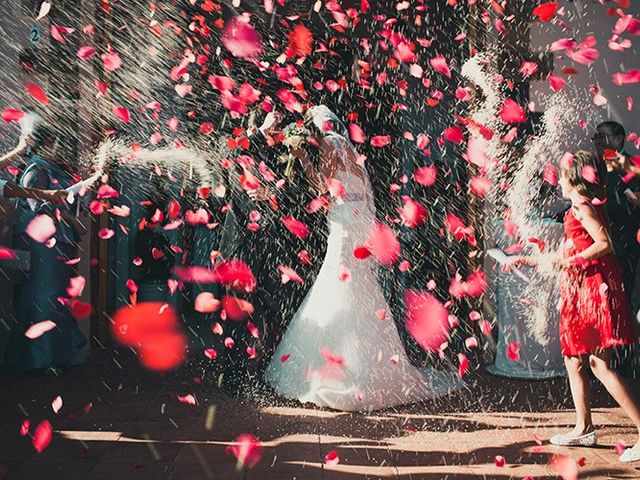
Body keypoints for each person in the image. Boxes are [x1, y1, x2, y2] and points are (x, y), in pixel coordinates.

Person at [263, 105, 462, 412]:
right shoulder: (346, 145)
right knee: (356, 282)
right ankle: (367, 364)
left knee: (338, 279)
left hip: (345, 219)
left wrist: (301, 156)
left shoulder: (330, 142)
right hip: (360, 218)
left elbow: (322, 186)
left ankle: (346, 370)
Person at [510, 150, 640, 463]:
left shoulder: (581, 205)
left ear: (574, 178)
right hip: (580, 286)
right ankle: (584, 427)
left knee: (598, 363)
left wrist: (573, 260)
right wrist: (529, 259)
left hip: (593, 287)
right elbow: (572, 251)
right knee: (573, 360)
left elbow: (604, 243)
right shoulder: (578, 207)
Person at [218, 110, 326, 397]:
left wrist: (273, 194)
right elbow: (230, 160)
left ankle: (264, 372)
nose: (271, 132)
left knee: (269, 311)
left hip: (269, 247)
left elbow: (292, 194)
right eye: (266, 127)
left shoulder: (278, 157)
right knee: (237, 313)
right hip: (240, 247)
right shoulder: (235, 146)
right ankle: (233, 376)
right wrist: (259, 132)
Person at [2, 123, 87, 375]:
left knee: (52, 296)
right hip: (42, 244)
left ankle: (55, 354)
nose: (59, 148)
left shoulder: (46, 169)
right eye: (56, 143)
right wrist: (72, 220)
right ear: (48, 142)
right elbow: (37, 206)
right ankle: (40, 358)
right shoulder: (36, 169)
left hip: (53, 242)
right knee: (44, 297)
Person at [593, 121, 640, 300]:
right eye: (596, 137)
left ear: (619, 139)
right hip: (598, 242)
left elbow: (632, 205)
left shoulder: (632, 166)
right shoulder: (594, 165)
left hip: (624, 243)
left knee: (622, 295)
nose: (598, 141)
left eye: (602, 136)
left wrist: (598, 206)